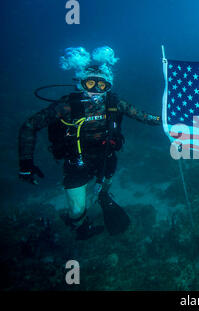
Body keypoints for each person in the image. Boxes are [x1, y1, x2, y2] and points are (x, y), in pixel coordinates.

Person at [18, 46, 161, 240]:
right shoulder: (67, 105)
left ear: (108, 86)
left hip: (106, 157)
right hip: (76, 161)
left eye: (101, 85)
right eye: (90, 83)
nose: (95, 90)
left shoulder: (114, 102)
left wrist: (169, 120)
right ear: (81, 83)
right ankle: (80, 227)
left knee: (103, 188)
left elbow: (145, 117)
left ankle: (103, 195)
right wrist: (26, 162)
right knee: (77, 209)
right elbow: (29, 126)